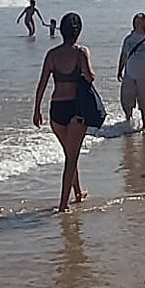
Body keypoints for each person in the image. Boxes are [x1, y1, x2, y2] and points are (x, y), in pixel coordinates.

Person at [32, 12, 93, 212]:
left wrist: (36, 110)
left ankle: (77, 193)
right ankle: (63, 205)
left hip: (56, 109)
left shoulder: (52, 55)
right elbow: (89, 77)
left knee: (70, 153)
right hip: (76, 108)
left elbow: (42, 83)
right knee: (71, 157)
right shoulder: (81, 52)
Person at [117, 13, 145, 130]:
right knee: (126, 99)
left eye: (140, 22)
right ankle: (128, 120)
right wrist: (120, 70)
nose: (138, 24)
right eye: (136, 22)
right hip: (129, 75)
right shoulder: (128, 39)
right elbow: (123, 55)